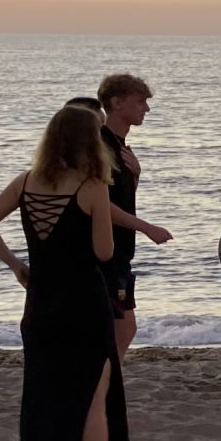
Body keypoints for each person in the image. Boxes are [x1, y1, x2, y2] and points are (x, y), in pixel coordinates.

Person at [0, 104, 131, 441]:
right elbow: (104, 252)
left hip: (42, 299)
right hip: (83, 300)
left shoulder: (26, 181)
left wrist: (16, 265)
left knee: (43, 390)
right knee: (94, 394)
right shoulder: (92, 187)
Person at [93, 74, 167, 357]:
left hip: (120, 253)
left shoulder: (120, 147)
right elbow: (98, 204)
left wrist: (135, 176)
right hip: (104, 253)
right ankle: (103, 381)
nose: (145, 108)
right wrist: (146, 227)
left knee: (123, 329)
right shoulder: (101, 146)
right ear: (117, 102)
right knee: (120, 329)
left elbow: (119, 197)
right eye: (140, 101)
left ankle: (106, 381)